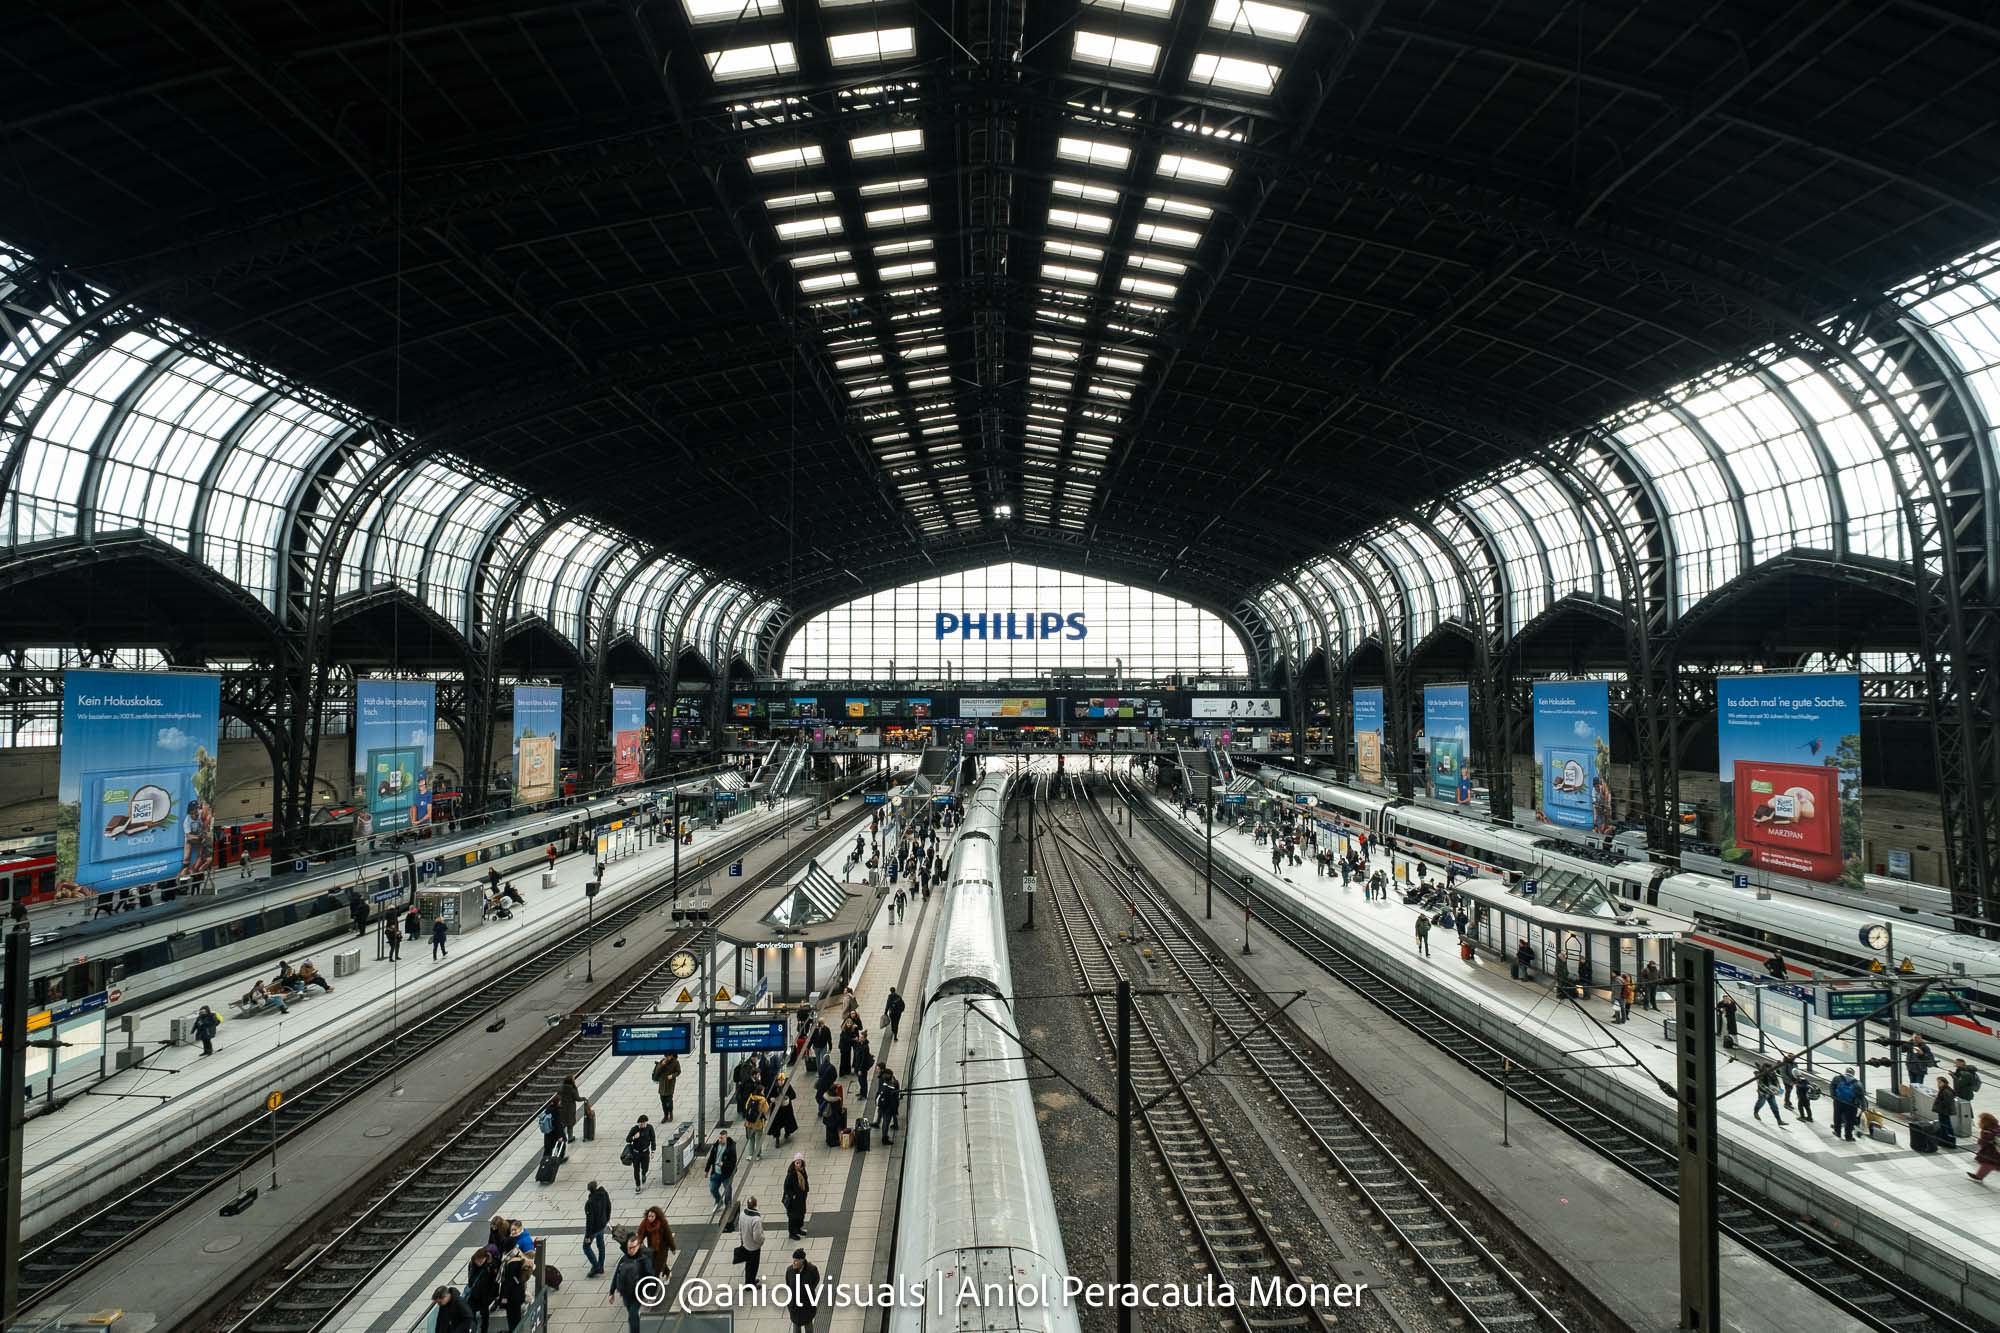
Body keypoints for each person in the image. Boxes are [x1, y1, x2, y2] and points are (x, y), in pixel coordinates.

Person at [609, 1234, 655, 1333]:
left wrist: (649, 1294)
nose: (631, 1250)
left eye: (633, 1247)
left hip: (638, 1294)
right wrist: (611, 1292)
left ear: (638, 1246)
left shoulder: (644, 1260)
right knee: (631, 1314)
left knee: (633, 1314)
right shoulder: (624, 1259)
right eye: (629, 1248)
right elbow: (617, 1274)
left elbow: (651, 1276)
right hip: (625, 1293)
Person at [784, 1249, 822, 1330]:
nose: (794, 1263)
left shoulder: (812, 1270)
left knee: (808, 1326)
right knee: (796, 1328)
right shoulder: (790, 1271)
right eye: (793, 1260)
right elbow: (788, 1284)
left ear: (802, 1261)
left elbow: (816, 1280)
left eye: (796, 1261)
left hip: (807, 1305)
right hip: (794, 1307)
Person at [583, 1180, 612, 1277]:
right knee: (601, 1246)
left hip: (594, 1229)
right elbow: (609, 1206)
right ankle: (601, 1266)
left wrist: (588, 1235)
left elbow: (589, 1221)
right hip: (602, 1225)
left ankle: (596, 1266)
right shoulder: (603, 1194)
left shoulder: (589, 1203)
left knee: (586, 1247)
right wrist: (607, 1219)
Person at [497, 1250, 533, 1330]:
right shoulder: (520, 1258)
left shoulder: (512, 1264)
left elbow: (507, 1285)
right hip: (518, 1295)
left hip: (511, 1298)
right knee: (517, 1317)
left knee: (512, 1319)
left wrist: (503, 1299)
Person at [735, 1196, 766, 1286]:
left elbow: (740, 1228)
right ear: (756, 1205)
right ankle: (750, 1284)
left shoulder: (742, 1214)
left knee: (748, 1265)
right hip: (753, 1246)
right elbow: (757, 1236)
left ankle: (749, 1280)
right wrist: (762, 1240)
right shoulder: (756, 1219)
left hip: (745, 1243)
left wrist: (742, 1240)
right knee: (754, 1265)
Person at [638, 1204, 675, 1275]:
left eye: (652, 1216)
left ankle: (656, 1281)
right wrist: (639, 1242)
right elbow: (641, 1234)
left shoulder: (663, 1224)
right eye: (649, 1216)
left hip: (662, 1248)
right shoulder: (646, 1223)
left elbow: (669, 1236)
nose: (650, 1218)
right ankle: (668, 1273)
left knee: (657, 1268)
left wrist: (673, 1248)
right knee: (656, 1263)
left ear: (656, 1216)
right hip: (652, 1248)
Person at [707, 1129, 739, 1208]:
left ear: (726, 1138)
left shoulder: (731, 1148)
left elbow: (733, 1162)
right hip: (716, 1172)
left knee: (727, 1190)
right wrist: (706, 1170)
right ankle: (718, 1201)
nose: (720, 1140)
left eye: (722, 1138)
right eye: (719, 1138)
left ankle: (728, 1204)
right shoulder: (715, 1146)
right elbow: (711, 1158)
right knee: (712, 1188)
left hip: (726, 1174)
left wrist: (723, 1164)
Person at [782, 1153, 811, 1239]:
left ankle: (798, 1229)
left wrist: (806, 1190)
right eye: (797, 1162)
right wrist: (793, 1195)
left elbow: (805, 1180)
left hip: (801, 1198)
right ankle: (792, 1233)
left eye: (800, 1162)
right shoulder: (791, 1174)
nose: (798, 1164)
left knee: (801, 1215)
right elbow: (786, 1187)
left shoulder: (803, 1170)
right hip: (793, 1201)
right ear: (794, 1163)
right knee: (793, 1217)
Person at [1830, 1068, 1863, 1142]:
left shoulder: (1838, 1078)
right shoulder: (1857, 1083)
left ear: (1846, 1072)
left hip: (1838, 1101)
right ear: (1853, 1074)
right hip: (1851, 1104)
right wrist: (1863, 1107)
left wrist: (1833, 1096)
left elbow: (1832, 1086)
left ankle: (1837, 1132)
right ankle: (1848, 1136)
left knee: (1837, 1116)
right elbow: (1861, 1096)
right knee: (1849, 1120)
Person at [625, 1114, 656, 1191]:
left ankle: (644, 1174)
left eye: (645, 1123)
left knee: (645, 1166)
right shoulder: (634, 1129)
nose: (644, 1125)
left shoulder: (649, 1128)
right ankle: (638, 1185)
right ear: (639, 1123)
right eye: (643, 1124)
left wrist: (653, 1151)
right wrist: (634, 1137)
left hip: (645, 1152)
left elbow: (653, 1139)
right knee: (636, 1170)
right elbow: (627, 1139)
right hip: (636, 1153)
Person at [1969, 1111, 2000, 1182]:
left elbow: (1983, 1142)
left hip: (1992, 1152)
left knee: (1988, 1164)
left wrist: (1980, 1141)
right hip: (1996, 1151)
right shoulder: (1998, 1128)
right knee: (1988, 1165)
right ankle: (1979, 1176)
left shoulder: (1986, 1132)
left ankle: (1979, 1176)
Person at [743, 1084, 770, 1160]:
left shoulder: (751, 1097)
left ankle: (750, 1154)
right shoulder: (762, 1100)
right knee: (758, 1139)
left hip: (748, 1123)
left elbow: (746, 1106)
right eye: (763, 1091)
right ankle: (757, 1155)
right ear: (761, 1091)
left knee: (751, 1138)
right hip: (758, 1123)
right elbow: (766, 1109)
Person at [876, 1065, 901, 1146]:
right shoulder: (890, 1088)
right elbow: (893, 1097)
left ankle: (885, 1136)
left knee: (885, 1123)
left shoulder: (884, 1085)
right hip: (888, 1109)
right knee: (886, 1123)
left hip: (884, 1108)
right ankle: (884, 1138)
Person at [770, 1079, 799, 1147]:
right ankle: (777, 1138)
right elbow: (769, 1096)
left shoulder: (787, 1085)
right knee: (777, 1124)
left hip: (786, 1108)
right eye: (779, 1080)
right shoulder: (773, 1087)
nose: (780, 1082)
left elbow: (793, 1095)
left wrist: (788, 1097)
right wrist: (771, 1099)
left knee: (787, 1121)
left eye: (781, 1080)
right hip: (777, 1109)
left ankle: (787, 1132)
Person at [1934, 1076, 1960, 1147]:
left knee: (1944, 1126)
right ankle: (1948, 1139)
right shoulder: (1944, 1089)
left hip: (1944, 1111)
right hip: (1944, 1111)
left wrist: (1939, 1103)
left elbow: (1946, 1102)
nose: (1938, 1084)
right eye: (1937, 1082)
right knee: (1947, 1124)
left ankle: (1945, 1140)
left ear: (1944, 1082)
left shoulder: (1945, 1091)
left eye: (1940, 1082)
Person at [654, 1052, 680, 1120]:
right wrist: (662, 1065)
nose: (666, 1058)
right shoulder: (662, 1061)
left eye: (668, 1056)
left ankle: (670, 1112)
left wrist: (672, 1075)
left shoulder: (675, 1062)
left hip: (670, 1084)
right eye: (665, 1056)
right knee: (663, 1102)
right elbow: (657, 1072)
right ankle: (665, 1115)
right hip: (662, 1084)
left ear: (671, 1056)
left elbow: (678, 1071)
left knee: (669, 1101)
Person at [822, 1081, 848, 1148]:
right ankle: (832, 1142)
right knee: (833, 1129)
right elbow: (838, 1109)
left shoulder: (826, 1096)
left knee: (828, 1129)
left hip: (827, 1116)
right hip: (833, 1116)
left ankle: (828, 1140)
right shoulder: (836, 1099)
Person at [854, 1030, 875, 1102]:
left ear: (865, 1038)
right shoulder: (860, 1044)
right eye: (860, 1037)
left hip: (862, 1068)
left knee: (863, 1081)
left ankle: (864, 1094)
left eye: (861, 1037)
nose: (860, 1038)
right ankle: (861, 1092)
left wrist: (860, 1069)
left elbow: (863, 1059)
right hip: (858, 1065)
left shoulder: (865, 1047)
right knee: (860, 1081)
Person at [560, 1074, 580, 1144]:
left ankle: (560, 1137)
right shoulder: (572, 1089)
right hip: (570, 1108)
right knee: (570, 1124)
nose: (574, 1080)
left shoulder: (561, 1087)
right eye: (573, 1079)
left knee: (563, 1123)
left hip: (562, 1107)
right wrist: (584, 1099)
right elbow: (577, 1098)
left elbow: (558, 1094)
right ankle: (570, 1138)